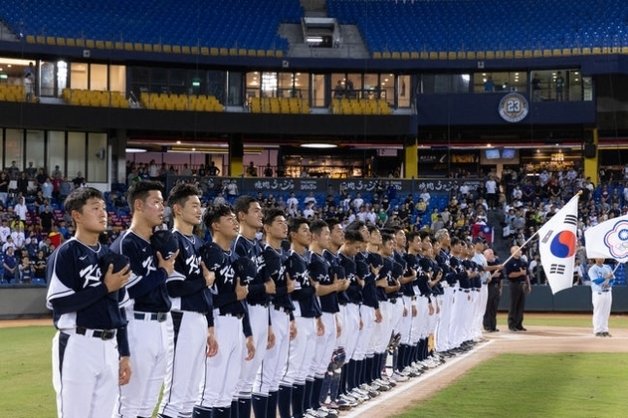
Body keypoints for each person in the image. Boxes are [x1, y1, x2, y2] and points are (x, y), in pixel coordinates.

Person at [46, 187, 131, 418]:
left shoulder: (110, 256)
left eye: (103, 208)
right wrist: (105, 287)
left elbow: (120, 310)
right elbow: (60, 303)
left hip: (109, 346)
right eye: (95, 208)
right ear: (77, 216)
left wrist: (124, 354)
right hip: (77, 343)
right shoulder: (66, 253)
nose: (103, 213)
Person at [110, 181, 178, 418]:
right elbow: (130, 289)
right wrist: (162, 272)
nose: (162, 208)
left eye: (163, 203)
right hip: (136, 324)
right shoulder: (125, 244)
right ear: (138, 205)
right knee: (129, 404)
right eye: (156, 202)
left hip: (161, 327)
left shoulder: (155, 242)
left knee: (148, 404)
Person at [158, 183, 218, 418]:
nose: (199, 210)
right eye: (194, 205)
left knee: (190, 396)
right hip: (180, 318)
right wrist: (205, 281)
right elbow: (173, 287)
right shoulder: (171, 241)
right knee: (175, 395)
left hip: (199, 319)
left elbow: (206, 290)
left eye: (200, 205)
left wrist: (211, 327)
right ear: (177, 209)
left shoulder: (199, 243)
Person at [195, 204, 255, 418]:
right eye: (229, 219)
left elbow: (243, 298)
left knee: (227, 393)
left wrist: (248, 333)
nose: (235, 222)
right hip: (217, 323)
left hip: (236, 324)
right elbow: (205, 297)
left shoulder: (236, 258)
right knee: (209, 392)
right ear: (215, 225)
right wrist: (233, 297)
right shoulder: (207, 253)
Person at [505, 245, 531, 332]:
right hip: (514, 284)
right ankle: (512, 325)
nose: (520, 251)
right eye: (518, 250)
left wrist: (529, 284)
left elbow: (526, 274)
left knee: (521, 305)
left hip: (522, 284)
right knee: (514, 305)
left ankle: (519, 324)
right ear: (513, 252)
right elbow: (510, 275)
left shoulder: (523, 261)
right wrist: (520, 273)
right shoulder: (510, 262)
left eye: (520, 250)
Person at [587, 258, 614, 337]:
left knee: (606, 312)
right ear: (595, 258)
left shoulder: (608, 267)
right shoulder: (592, 269)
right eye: (599, 257)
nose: (602, 258)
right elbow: (596, 281)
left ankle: (605, 330)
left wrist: (610, 284)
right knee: (598, 312)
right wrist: (606, 277)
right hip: (598, 292)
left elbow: (613, 279)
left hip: (608, 291)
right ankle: (597, 330)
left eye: (603, 257)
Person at [482, 248, 502, 332]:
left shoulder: (497, 263)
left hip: (496, 286)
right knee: (488, 306)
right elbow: (486, 277)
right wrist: (493, 275)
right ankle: (487, 325)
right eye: (490, 253)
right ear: (485, 255)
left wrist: (501, 288)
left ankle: (493, 325)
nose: (492, 255)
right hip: (489, 286)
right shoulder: (485, 264)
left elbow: (501, 277)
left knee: (494, 307)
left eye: (492, 253)